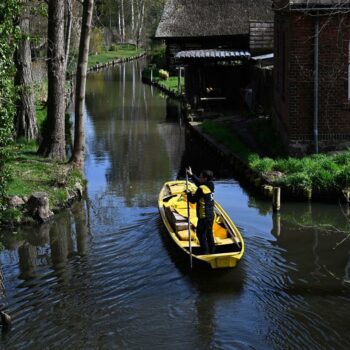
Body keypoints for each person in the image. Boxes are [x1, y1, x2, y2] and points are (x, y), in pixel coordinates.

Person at [186, 167, 215, 254]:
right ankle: (213, 252)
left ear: (205, 178)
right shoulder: (210, 185)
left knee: (200, 234)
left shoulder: (201, 189)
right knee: (209, 234)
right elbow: (199, 183)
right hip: (211, 215)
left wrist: (188, 194)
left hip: (203, 216)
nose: (199, 178)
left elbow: (193, 200)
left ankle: (205, 253)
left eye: (201, 177)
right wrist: (191, 175)